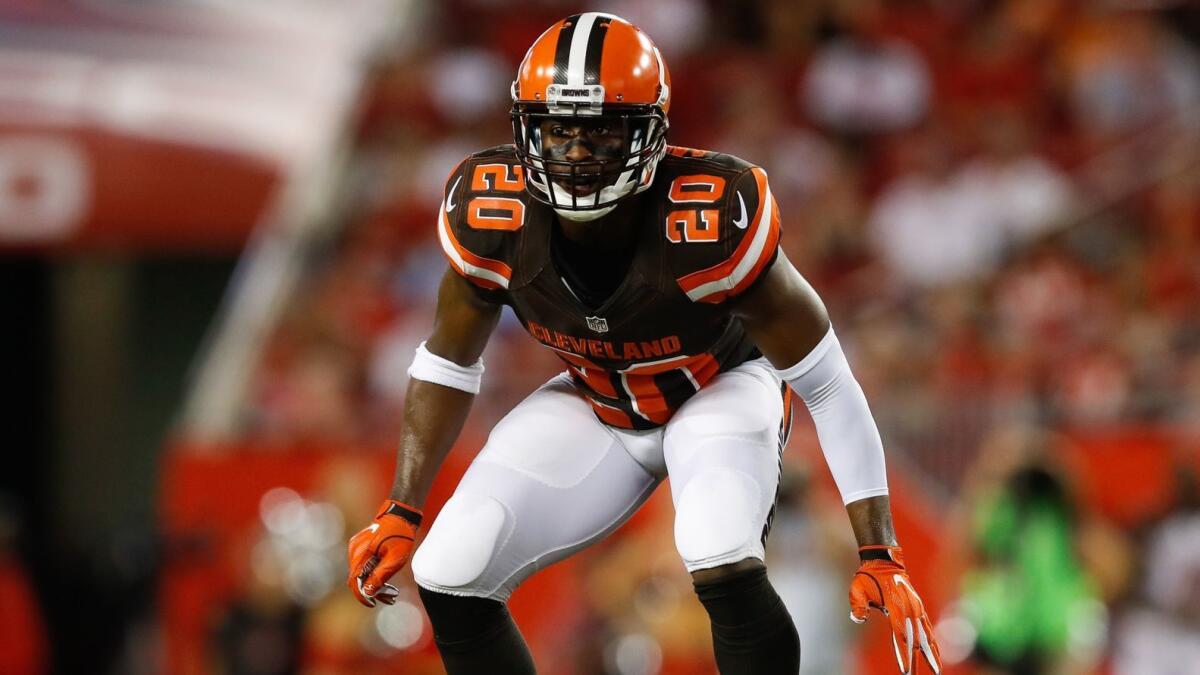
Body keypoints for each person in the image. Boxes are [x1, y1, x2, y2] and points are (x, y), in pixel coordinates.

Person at [346, 13, 941, 675]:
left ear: (650, 132)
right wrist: (402, 507)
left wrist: (878, 549)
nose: (574, 151)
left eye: (599, 130)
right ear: (524, 129)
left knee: (714, 541)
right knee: (449, 564)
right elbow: (447, 360)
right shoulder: (492, 209)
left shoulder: (712, 214)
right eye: (558, 128)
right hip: (598, 397)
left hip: (718, 388)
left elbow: (828, 382)